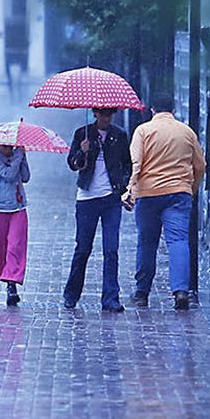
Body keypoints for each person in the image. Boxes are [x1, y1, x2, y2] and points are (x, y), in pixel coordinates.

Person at [125, 92, 207, 310]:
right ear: (173, 110)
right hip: (179, 193)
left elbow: (136, 163)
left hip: (148, 194)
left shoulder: (143, 131)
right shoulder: (186, 132)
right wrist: (192, 188)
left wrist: (130, 189)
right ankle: (181, 291)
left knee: (147, 242)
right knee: (178, 241)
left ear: (152, 110)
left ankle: (142, 293)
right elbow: (200, 166)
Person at [62, 106, 130, 311]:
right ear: (95, 114)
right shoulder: (82, 134)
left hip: (111, 199)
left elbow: (127, 164)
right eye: (103, 114)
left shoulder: (119, 135)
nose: (107, 118)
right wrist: (82, 152)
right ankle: (71, 294)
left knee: (111, 250)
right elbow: (73, 165)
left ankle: (111, 298)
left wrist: (124, 188)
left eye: (110, 114)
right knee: (83, 248)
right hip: (87, 199)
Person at [0, 143, 30, 306]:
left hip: (18, 207)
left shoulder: (16, 156)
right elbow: (9, 174)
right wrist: (18, 156)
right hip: (0, 208)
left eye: (11, 147)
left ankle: (12, 285)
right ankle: (6, 281)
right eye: (6, 147)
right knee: (2, 247)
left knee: (15, 246)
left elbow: (25, 177)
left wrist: (23, 157)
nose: (9, 150)